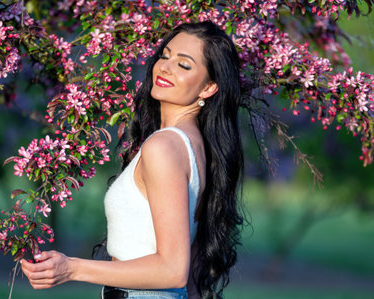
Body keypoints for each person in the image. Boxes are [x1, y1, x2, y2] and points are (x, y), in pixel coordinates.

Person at [21, 21, 244, 299]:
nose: (165, 67)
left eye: (183, 65)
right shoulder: (196, 146)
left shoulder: (164, 146)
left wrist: (71, 268)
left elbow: (173, 269)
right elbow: (191, 264)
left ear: (209, 88)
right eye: (165, 55)